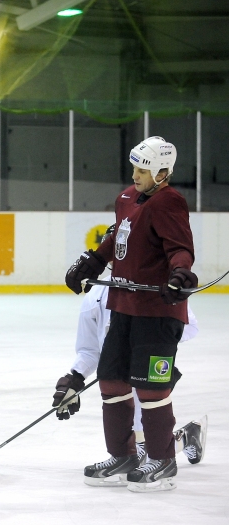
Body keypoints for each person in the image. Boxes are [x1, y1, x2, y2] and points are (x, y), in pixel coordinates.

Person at [65, 138, 199, 491]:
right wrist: (92, 261)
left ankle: (162, 460)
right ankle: (124, 455)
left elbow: (181, 248)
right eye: (135, 167)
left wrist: (180, 275)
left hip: (157, 312)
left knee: (151, 389)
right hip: (123, 306)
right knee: (111, 381)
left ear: (162, 172)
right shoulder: (126, 198)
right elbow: (116, 241)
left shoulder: (170, 202)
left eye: (143, 169)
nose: (135, 174)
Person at [54, 278, 206, 466]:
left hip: (148, 371)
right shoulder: (95, 296)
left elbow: (190, 326)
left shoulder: (153, 284)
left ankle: (185, 439)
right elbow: (89, 350)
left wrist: (152, 342)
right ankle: (188, 437)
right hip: (117, 377)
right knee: (133, 451)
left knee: (148, 451)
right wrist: (75, 378)